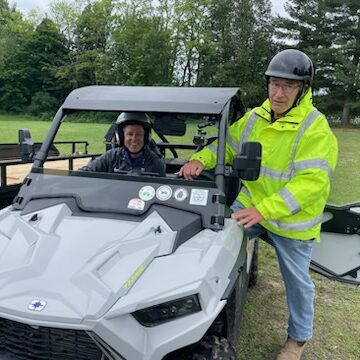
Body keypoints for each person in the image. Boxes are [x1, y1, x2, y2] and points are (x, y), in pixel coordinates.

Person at [179, 49, 338, 360]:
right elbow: (226, 145)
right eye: (274, 84)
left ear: (303, 89)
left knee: (297, 282)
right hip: (253, 206)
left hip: (293, 221)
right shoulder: (255, 118)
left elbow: (310, 183)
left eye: (287, 86)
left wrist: (266, 210)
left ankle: (297, 341)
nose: (278, 93)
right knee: (213, 243)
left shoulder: (314, 128)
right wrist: (200, 158)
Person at [81, 112, 166, 176]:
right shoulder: (111, 157)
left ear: (146, 137)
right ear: (121, 137)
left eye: (139, 134)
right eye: (130, 134)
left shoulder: (156, 163)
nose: (134, 139)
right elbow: (86, 172)